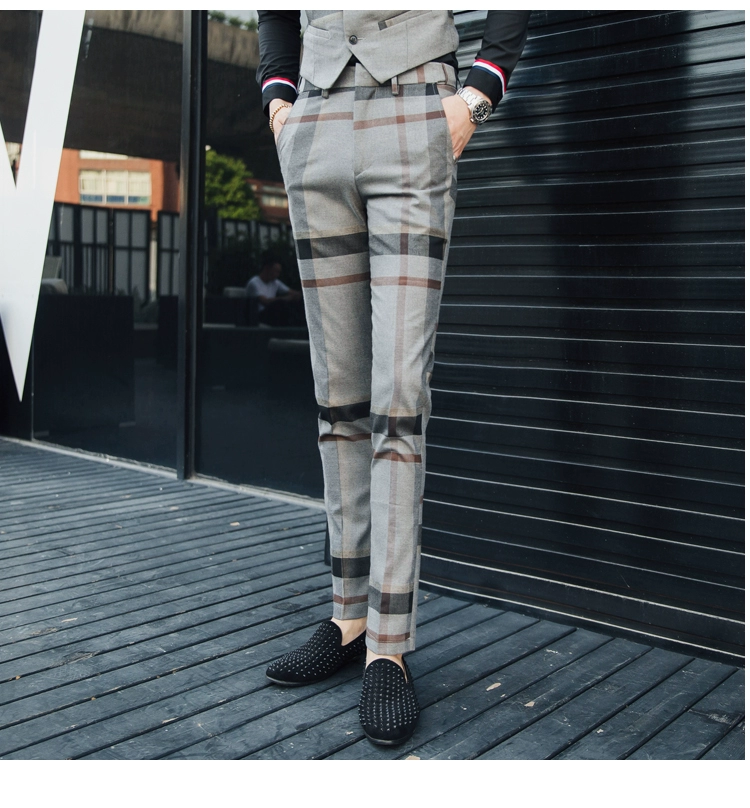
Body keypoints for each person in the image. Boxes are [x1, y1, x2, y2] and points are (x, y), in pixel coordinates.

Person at [256, 10, 530, 746]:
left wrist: (478, 93)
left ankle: (388, 645)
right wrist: (280, 99)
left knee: (399, 402)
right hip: (315, 118)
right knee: (338, 401)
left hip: (416, 111)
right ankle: (348, 617)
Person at [245, 251, 302, 326]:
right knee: (280, 305)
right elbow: (265, 302)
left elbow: (292, 292)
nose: (277, 275)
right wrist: (285, 298)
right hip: (258, 315)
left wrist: (299, 295)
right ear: (267, 269)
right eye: (276, 271)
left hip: (271, 313)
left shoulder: (275, 282)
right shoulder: (254, 283)